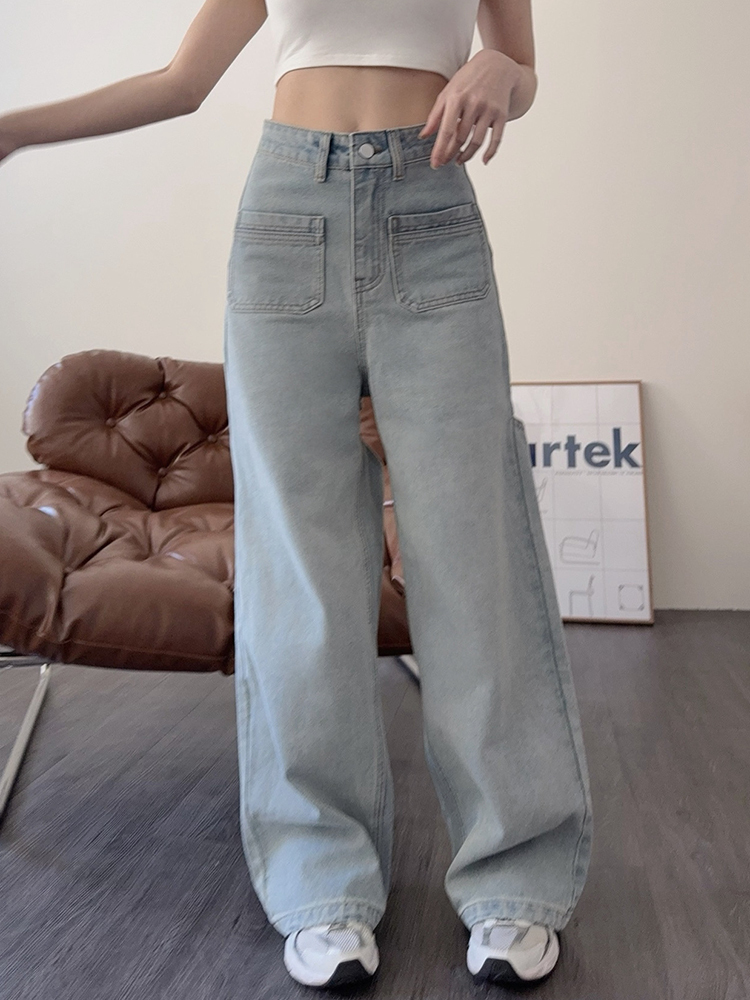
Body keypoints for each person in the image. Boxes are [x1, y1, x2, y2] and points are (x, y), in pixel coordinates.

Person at [0, 0, 594, 989]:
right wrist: (12, 129)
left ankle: (514, 880)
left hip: (432, 214)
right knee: (300, 571)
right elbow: (180, 83)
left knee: (473, 555)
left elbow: (520, 69)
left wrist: (503, 72)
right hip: (287, 217)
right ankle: (324, 886)